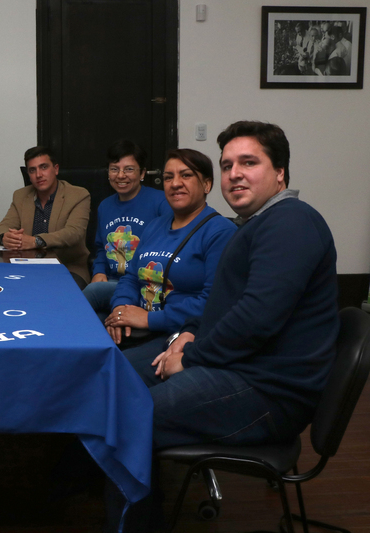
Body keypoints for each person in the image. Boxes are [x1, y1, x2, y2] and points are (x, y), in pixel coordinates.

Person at [106, 121, 338, 532]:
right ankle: (101, 487)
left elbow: (256, 318)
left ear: (280, 172)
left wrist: (190, 357)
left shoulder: (290, 222)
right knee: (115, 384)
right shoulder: (258, 223)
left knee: (126, 415)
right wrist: (188, 333)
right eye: (228, 164)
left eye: (249, 162)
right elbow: (225, 305)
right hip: (241, 368)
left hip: (267, 391)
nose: (235, 173)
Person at [103, 149, 236, 350]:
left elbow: (214, 302)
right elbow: (130, 278)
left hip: (179, 333)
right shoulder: (154, 226)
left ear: (206, 184)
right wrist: (120, 309)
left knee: (111, 369)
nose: (175, 184)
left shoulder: (220, 232)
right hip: (137, 326)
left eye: (186, 175)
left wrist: (149, 319)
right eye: (168, 177)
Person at [82, 140, 171, 322]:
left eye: (129, 169)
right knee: (97, 321)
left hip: (144, 285)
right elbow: (101, 248)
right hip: (113, 282)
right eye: (114, 169)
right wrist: (99, 271)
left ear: (143, 173)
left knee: (91, 294)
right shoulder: (105, 206)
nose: (121, 175)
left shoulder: (161, 202)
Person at [0, 146, 91, 287]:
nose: (38, 175)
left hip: (67, 268)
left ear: (56, 169)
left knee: (56, 294)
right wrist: (5, 238)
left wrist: (36, 241)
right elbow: (2, 227)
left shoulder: (78, 195)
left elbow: (74, 233)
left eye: (43, 167)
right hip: (27, 268)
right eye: (32, 170)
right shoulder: (20, 195)